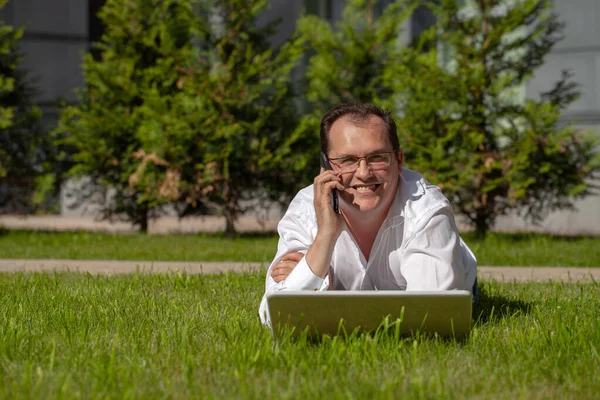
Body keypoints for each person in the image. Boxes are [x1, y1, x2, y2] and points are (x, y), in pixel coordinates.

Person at [259, 103, 477, 325]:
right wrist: (325, 236)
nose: (363, 173)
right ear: (325, 167)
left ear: (399, 160)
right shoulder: (305, 209)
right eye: (347, 161)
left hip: (457, 274)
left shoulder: (427, 210)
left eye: (377, 157)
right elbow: (273, 316)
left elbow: (433, 317)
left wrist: (316, 288)